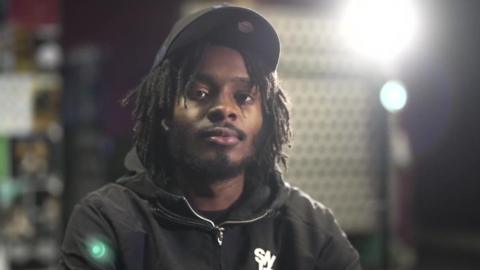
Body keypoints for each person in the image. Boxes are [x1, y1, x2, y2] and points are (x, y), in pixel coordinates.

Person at [60, 4, 361, 270]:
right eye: (199, 93)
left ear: (265, 120)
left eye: (243, 97)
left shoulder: (311, 230)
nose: (224, 109)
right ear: (165, 112)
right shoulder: (109, 221)